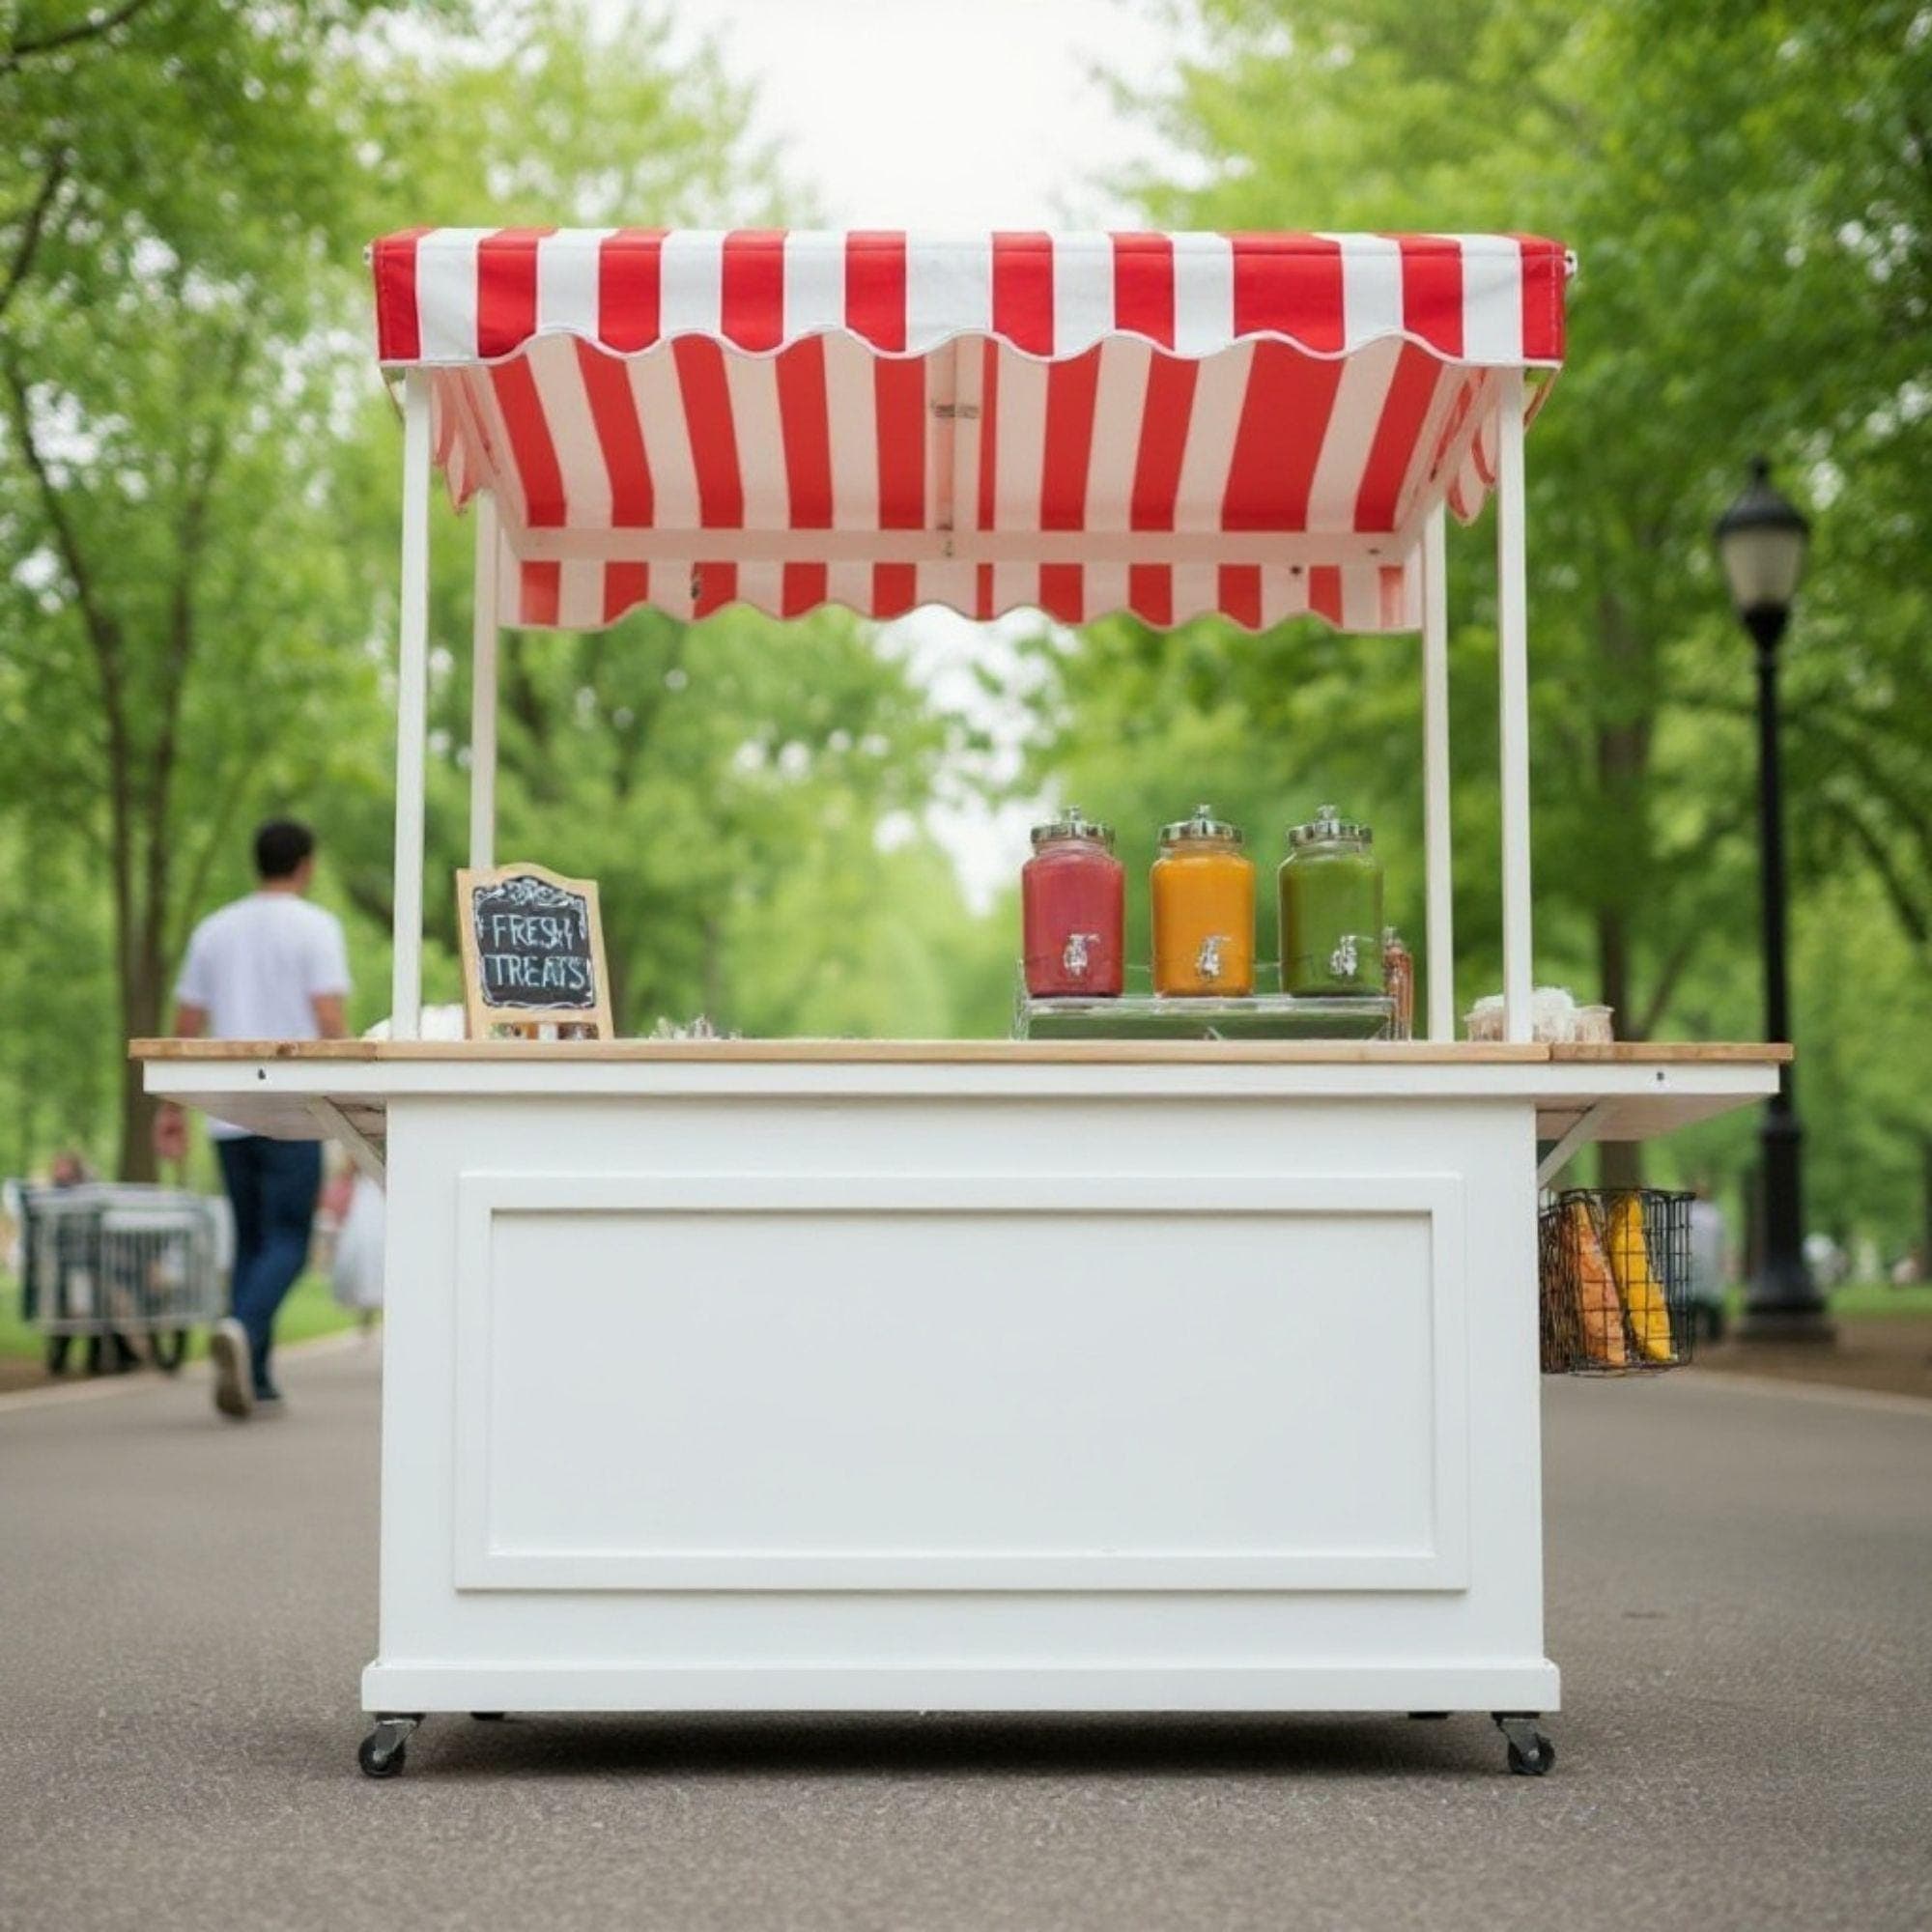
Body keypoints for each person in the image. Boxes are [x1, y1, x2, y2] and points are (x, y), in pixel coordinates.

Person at [165, 819, 350, 1420]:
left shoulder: (213, 929)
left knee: (252, 1243)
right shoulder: (316, 927)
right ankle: (242, 1327)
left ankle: (258, 1379)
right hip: (293, 1108)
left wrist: (171, 1108)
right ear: (306, 865)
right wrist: (351, 1092)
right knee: (290, 1242)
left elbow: (186, 1024)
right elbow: (329, 1019)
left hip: (226, 1111)